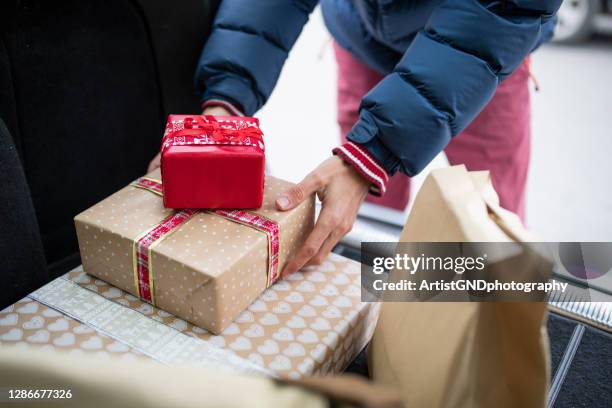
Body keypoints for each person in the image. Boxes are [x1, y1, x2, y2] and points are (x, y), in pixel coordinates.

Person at [148, 0, 560, 276]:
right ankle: (382, 315)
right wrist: (227, 97)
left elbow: (506, 7)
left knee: (492, 221)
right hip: (362, 38)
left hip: (478, 63)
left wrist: (372, 151)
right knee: (367, 213)